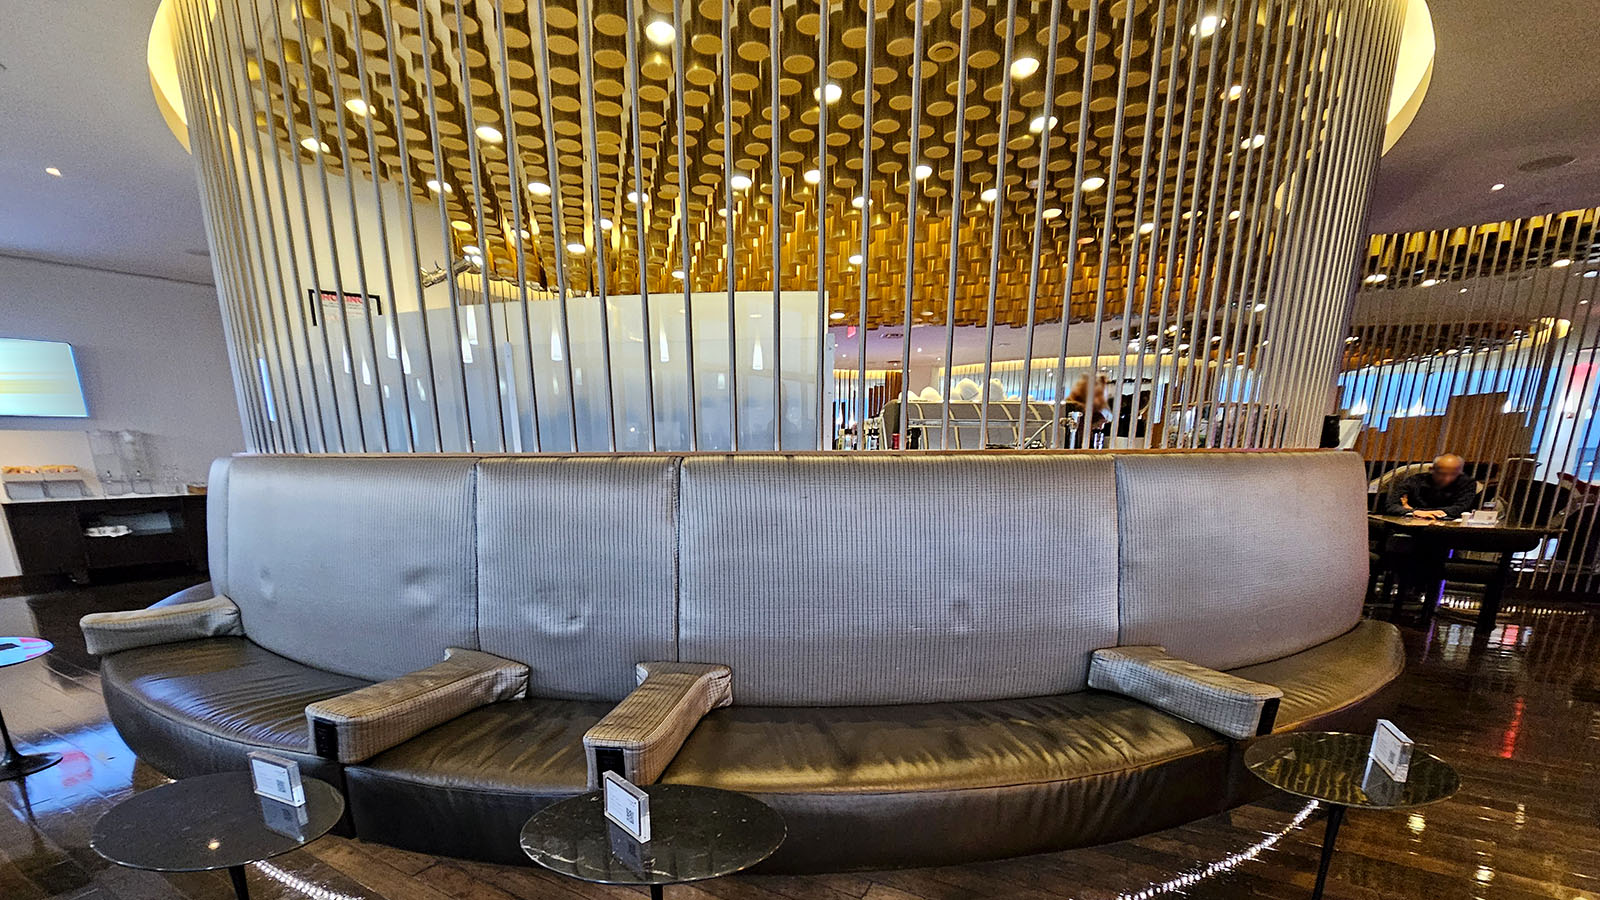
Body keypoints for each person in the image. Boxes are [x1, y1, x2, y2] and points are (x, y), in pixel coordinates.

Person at [1384, 453, 1477, 519]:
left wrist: (1414, 510)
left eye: (1453, 474)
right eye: (1442, 474)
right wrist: (1415, 513)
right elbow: (1391, 506)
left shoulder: (1467, 483)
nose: (1447, 478)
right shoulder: (1414, 481)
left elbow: (1460, 508)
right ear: (1431, 470)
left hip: (1446, 527)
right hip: (1412, 524)